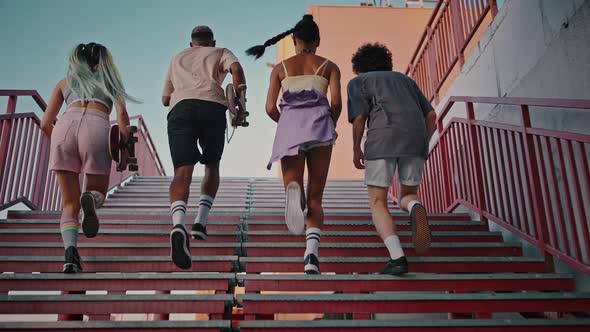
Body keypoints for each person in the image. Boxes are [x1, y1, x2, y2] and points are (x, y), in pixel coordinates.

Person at [247, 14, 342, 274]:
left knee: (295, 184)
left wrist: (286, 122)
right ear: (318, 40)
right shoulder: (329, 66)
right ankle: (311, 255)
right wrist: (330, 123)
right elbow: (335, 104)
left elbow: (268, 108)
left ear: (293, 39)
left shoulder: (281, 68)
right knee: (317, 196)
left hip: (290, 127)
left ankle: (293, 192)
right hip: (320, 127)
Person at [40, 42, 136, 273]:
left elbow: (45, 123)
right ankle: (91, 200)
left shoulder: (65, 81)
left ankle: (70, 255)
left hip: (64, 127)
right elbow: (122, 116)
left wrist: (58, 144)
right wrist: (125, 149)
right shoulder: (110, 81)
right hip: (96, 125)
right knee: (97, 192)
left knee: (69, 204)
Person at [347, 43, 436, 276]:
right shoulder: (406, 81)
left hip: (382, 139)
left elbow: (359, 117)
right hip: (415, 139)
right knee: (407, 194)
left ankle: (397, 258)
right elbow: (431, 115)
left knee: (378, 202)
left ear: (360, 67)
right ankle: (415, 207)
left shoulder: (359, 82)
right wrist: (423, 142)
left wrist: (356, 148)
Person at [163, 26, 247, 269]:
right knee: (212, 165)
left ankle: (179, 224)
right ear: (212, 42)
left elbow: (165, 98)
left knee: (182, 172)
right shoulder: (220, 51)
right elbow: (236, 69)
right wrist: (240, 99)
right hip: (212, 106)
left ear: (191, 44)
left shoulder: (177, 57)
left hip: (181, 108)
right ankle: (200, 221)